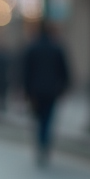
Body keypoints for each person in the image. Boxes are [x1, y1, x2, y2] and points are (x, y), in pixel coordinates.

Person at [21, 23, 71, 165]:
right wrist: (64, 87)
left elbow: (25, 71)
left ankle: (41, 142)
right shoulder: (57, 48)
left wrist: (26, 90)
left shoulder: (32, 48)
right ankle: (44, 142)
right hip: (51, 90)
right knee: (48, 118)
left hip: (35, 92)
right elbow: (64, 71)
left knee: (38, 119)